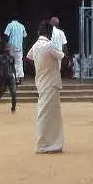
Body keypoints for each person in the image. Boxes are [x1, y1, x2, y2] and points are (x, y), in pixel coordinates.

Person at [27, 21, 64, 153]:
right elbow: (61, 56)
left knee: (46, 113)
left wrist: (40, 68)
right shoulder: (49, 45)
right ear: (50, 33)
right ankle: (44, 144)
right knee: (48, 115)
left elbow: (29, 57)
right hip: (51, 83)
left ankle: (50, 143)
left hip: (42, 82)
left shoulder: (36, 45)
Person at [0, 42, 17, 112]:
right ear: (4, 49)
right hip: (3, 79)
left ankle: (13, 108)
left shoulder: (12, 58)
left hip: (11, 78)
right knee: (1, 93)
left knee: (14, 93)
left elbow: (13, 68)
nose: (8, 49)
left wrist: (16, 77)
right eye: (6, 47)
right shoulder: (0, 58)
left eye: (9, 47)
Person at [3, 16, 26, 83]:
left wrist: (6, 45)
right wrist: (23, 47)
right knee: (19, 62)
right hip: (19, 47)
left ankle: (14, 78)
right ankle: (20, 78)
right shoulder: (22, 26)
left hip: (11, 46)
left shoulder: (10, 25)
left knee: (11, 62)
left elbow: (6, 35)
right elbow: (25, 37)